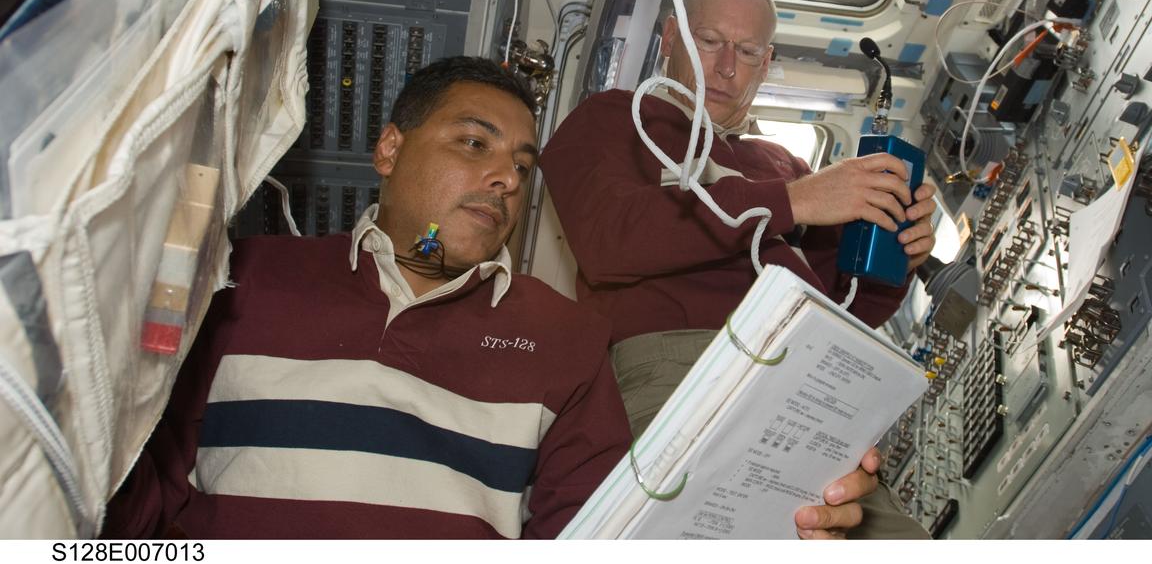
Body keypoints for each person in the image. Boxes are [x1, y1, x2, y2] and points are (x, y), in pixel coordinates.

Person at [105, 55, 879, 539]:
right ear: (389, 148)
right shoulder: (248, 276)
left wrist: (771, 516)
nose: (507, 176)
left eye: (521, 162)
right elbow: (137, 493)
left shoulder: (564, 339)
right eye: (474, 145)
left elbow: (593, 539)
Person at [541, 0, 938, 539]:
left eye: (748, 51)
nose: (727, 66)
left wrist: (900, 250)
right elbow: (609, 239)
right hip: (682, 367)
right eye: (709, 41)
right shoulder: (616, 120)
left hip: (811, 375)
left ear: (766, 61)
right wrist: (792, 200)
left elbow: (850, 304)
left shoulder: (782, 162)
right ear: (671, 38)